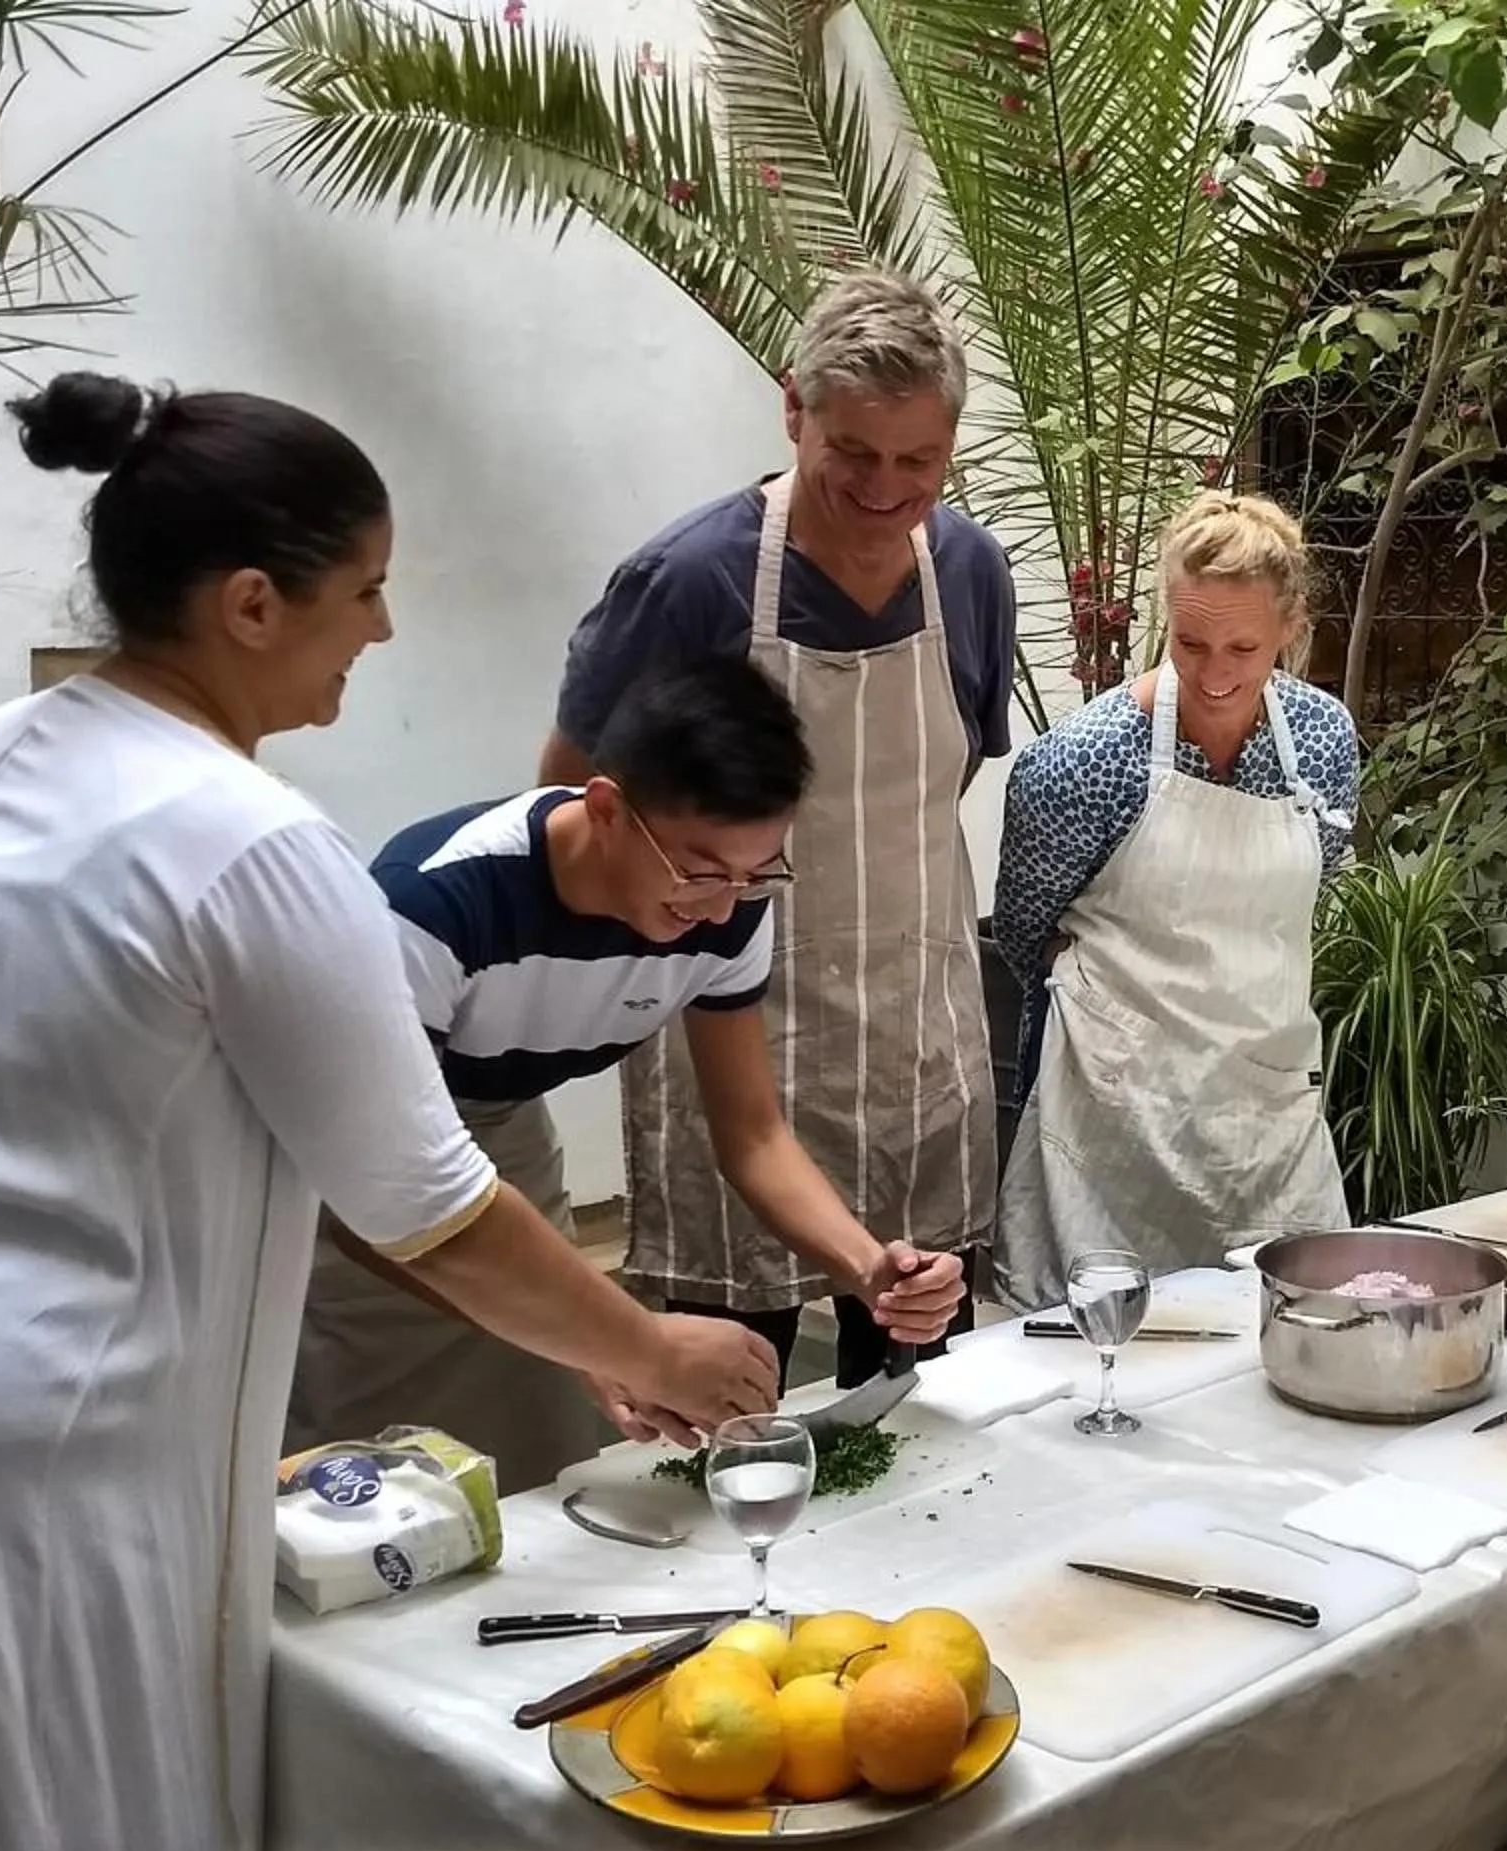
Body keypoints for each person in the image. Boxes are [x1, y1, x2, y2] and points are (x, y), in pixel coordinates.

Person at [0, 375, 779, 1851]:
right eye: (364, 590)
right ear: (250, 603)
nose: (379, 628)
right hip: (38, 1456)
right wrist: (653, 1347)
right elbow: (424, 1198)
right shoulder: (252, 842)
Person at [287, 657, 966, 1489]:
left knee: (546, 1446)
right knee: (386, 1480)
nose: (720, 907)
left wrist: (867, 1269)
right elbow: (373, 1203)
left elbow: (752, 1134)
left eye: (758, 873)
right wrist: (604, 1339)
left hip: (499, 1131)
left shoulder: (727, 906)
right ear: (606, 808)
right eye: (700, 871)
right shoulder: (433, 903)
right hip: (348, 1161)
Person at [546, 270, 1016, 1385]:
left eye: (918, 462)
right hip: (731, 1039)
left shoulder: (971, 574)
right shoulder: (688, 582)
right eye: (853, 452)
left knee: (918, 1392)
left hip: (912, 1037)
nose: (884, 490)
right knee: (726, 1394)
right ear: (792, 408)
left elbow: (929, 791)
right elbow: (571, 801)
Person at [991, 491, 1359, 1308]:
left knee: (1295, 1323)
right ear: (1166, 617)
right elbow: (1023, 932)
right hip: (1113, 1118)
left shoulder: (1326, 743)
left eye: (1244, 646)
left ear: (1290, 629)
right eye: (1191, 643)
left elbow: (1312, 890)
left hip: (1266, 1112)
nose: (1216, 672)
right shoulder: (1082, 763)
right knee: (1099, 1348)